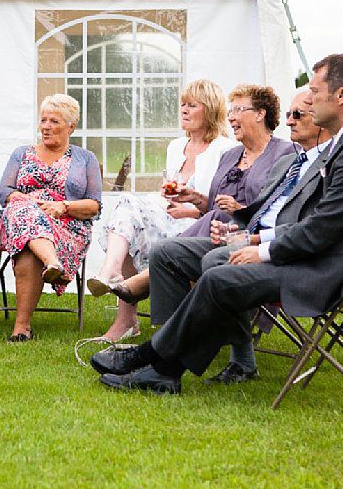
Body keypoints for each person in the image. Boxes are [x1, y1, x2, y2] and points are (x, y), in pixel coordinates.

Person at [89, 54, 343, 395]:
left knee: (220, 274)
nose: (310, 100)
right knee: (190, 257)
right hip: (324, 255)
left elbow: (323, 228)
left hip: (334, 270)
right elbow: (321, 222)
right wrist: (254, 238)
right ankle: (161, 364)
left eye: (316, 92)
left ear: (342, 95)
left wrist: (261, 250)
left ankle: (156, 360)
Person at [149, 90, 333, 384]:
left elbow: (310, 226)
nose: (289, 121)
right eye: (288, 114)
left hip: (281, 249)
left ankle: (239, 360)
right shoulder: (292, 161)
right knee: (164, 252)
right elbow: (259, 210)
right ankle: (165, 344)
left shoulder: (314, 162)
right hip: (244, 234)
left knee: (217, 260)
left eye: (297, 114)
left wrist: (250, 238)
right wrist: (235, 227)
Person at [91, 84, 295, 326]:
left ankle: (145, 283)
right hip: (217, 232)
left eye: (238, 110)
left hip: (251, 237)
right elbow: (212, 206)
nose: (231, 117)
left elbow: (281, 209)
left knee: (181, 243)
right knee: (153, 221)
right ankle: (167, 331)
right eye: (230, 110)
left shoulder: (284, 153)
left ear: (260, 114)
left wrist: (238, 209)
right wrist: (195, 198)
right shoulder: (232, 156)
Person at [88, 79, 236, 342]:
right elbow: (168, 189)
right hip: (168, 219)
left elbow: (224, 206)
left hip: (200, 227)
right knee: (127, 213)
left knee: (130, 218)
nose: (184, 110)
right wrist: (166, 199)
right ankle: (116, 290)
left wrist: (190, 211)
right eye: (182, 104)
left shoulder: (225, 149)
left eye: (192, 105)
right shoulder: (176, 146)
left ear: (211, 109)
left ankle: (117, 289)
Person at [0, 94, 102, 342]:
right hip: (21, 219)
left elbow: (94, 206)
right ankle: (53, 263)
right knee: (25, 212)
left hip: (67, 227)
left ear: (71, 127)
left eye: (54, 121)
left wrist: (63, 206)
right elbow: (5, 192)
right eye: (43, 120)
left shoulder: (86, 159)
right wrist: (31, 203)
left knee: (27, 249)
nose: (46, 126)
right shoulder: (21, 153)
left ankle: (22, 328)